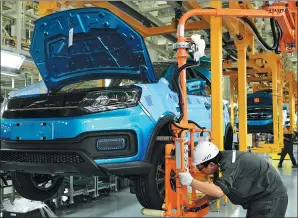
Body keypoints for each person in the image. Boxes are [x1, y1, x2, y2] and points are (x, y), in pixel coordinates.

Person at [179, 141, 288, 218]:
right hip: (260, 200)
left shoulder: (229, 165)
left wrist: (190, 181)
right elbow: (217, 190)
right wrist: (197, 203)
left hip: (270, 200)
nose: (199, 171)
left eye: (200, 168)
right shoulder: (221, 160)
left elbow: (218, 192)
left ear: (211, 164)